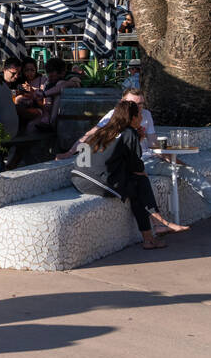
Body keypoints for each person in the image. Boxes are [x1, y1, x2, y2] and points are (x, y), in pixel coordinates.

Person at [61, 89, 211, 233]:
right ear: (124, 104)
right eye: (134, 104)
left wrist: (171, 157)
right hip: (134, 164)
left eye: (141, 104)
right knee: (181, 175)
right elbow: (92, 134)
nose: (138, 108)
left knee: (187, 170)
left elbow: (152, 144)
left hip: (147, 158)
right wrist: (70, 152)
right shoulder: (117, 115)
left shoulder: (146, 115)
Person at [69, 99, 187, 249]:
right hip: (96, 182)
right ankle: (158, 225)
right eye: (139, 115)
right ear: (131, 118)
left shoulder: (104, 130)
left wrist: (138, 140)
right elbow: (136, 166)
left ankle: (152, 236)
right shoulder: (128, 133)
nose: (142, 119)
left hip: (78, 178)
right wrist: (138, 142)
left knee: (135, 187)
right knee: (140, 182)